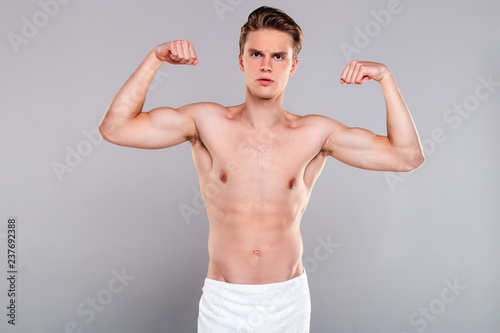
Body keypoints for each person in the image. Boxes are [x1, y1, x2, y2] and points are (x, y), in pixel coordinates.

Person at [98, 6, 424, 332]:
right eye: (256, 54)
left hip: (287, 301)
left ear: (293, 66)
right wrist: (155, 58)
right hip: (224, 301)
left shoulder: (316, 133)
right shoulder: (205, 122)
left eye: (279, 57)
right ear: (241, 61)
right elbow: (115, 128)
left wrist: (386, 79)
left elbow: (406, 157)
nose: (266, 65)